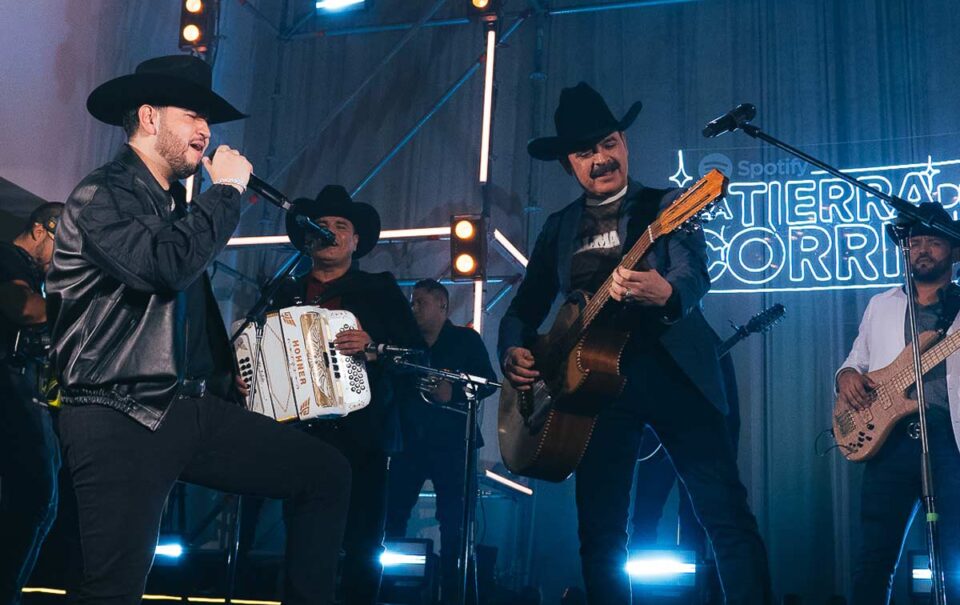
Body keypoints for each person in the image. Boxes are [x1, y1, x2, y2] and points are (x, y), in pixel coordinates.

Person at [46, 55, 350, 604]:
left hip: (181, 408)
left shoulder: (168, 206)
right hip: (118, 410)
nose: (206, 132)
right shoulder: (103, 194)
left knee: (325, 474)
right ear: (148, 117)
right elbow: (164, 267)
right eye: (192, 115)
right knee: (111, 589)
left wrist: (220, 369)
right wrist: (227, 193)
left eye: (207, 120)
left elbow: (179, 299)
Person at [498, 82, 772, 604]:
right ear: (569, 166)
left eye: (608, 144)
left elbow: (693, 272)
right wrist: (513, 350)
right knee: (600, 531)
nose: (600, 159)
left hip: (675, 374)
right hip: (592, 390)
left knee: (725, 516)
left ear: (624, 143)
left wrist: (667, 291)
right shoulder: (558, 228)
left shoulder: (666, 205)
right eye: (585, 152)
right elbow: (523, 309)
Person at [275, 185, 424, 604]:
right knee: (301, 536)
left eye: (342, 226)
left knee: (362, 542)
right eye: (321, 226)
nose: (331, 232)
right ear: (307, 239)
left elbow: (417, 354)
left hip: (364, 436)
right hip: (301, 435)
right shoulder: (285, 291)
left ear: (356, 242)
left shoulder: (379, 288)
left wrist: (375, 347)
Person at [836, 202, 960, 603]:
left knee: (953, 553)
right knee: (874, 557)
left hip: (949, 439)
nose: (922, 249)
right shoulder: (882, 303)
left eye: (934, 242)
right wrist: (847, 378)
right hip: (889, 441)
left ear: (954, 250)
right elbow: (855, 361)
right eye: (915, 242)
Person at [384, 279, 497, 604]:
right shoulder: (406, 343)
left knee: (455, 522)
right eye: (413, 302)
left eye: (420, 302)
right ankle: (388, 588)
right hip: (410, 443)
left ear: (442, 306)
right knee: (393, 515)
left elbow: (488, 382)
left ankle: (453, 593)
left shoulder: (465, 340)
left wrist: (454, 392)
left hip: (452, 444)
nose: (414, 308)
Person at [0, 202, 64, 604]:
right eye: (62, 244)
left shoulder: (37, 277)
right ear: (41, 230)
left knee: (40, 501)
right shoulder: (6, 257)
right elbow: (21, 309)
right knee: (36, 498)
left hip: (26, 390)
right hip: (11, 384)